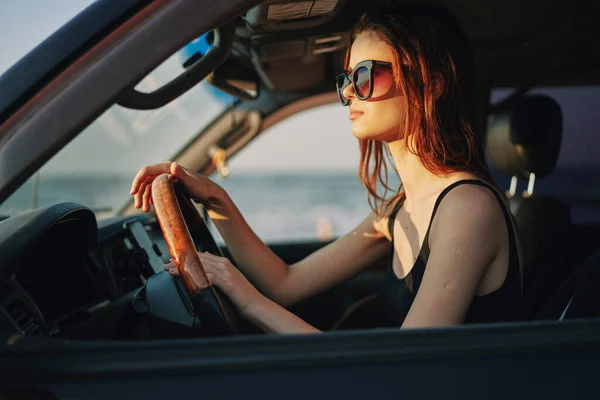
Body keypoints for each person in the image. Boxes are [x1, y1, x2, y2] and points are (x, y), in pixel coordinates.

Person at [130, 7, 523, 334]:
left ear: (431, 83)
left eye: (366, 75)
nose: (350, 92)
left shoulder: (466, 208)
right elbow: (286, 283)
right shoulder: (400, 209)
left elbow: (404, 369)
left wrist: (246, 299)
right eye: (348, 78)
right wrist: (217, 198)